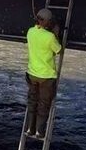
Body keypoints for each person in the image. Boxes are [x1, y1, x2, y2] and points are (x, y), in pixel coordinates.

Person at [25, 8, 61, 138]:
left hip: (32, 74)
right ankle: (40, 131)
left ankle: (30, 128)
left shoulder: (30, 32)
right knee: (44, 104)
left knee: (32, 101)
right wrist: (56, 34)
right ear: (47, 22)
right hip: (46, 76)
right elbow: (58, 50)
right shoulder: (50, 37)